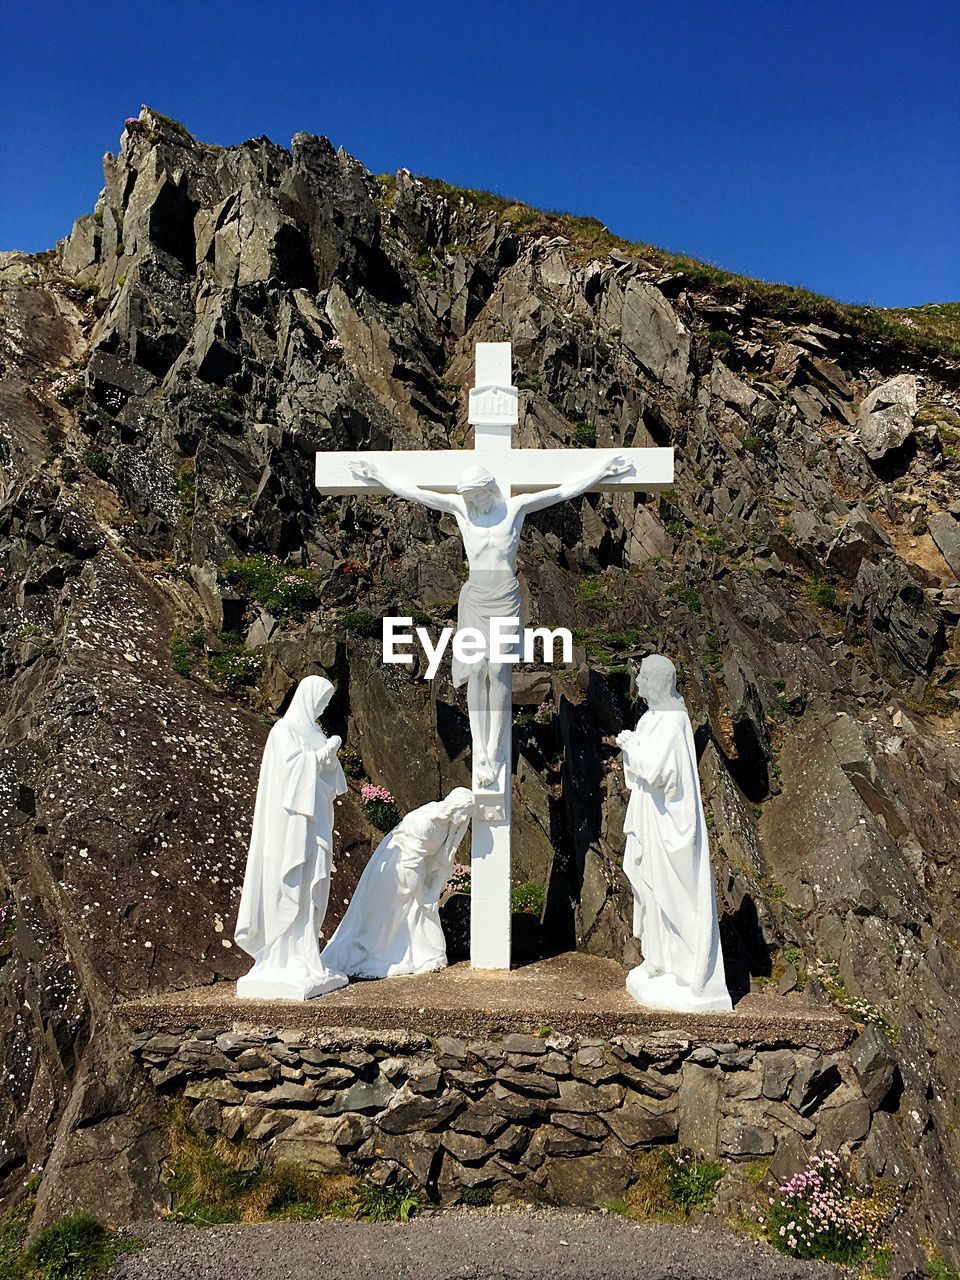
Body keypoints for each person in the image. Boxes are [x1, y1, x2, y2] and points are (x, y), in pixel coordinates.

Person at [348, 455, 628, 787]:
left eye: (475, 496)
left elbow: (562, 491)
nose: (472, 503)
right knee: (477, 670)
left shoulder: (515, 508)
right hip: (477, 598)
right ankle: (480, 749)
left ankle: (494, 746)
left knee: (498, 670)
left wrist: (600, 471)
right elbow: (415, 492)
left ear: (488, 489)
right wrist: (378, 475)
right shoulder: (462, 510)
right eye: (467, 497)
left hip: (505, 598)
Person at [616, 654, 732, 1013]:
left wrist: (629, 745)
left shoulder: (671, 720)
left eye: (643, 678)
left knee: (673, 893)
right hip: (651, 814)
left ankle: (687, 971)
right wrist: (633, 745)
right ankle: (658, 958)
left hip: (670, 824)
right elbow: (641, 773)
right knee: (649, 886)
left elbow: (654, 769)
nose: (637, 684)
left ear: (657, 681)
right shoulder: (652, 718)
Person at [235, 676, 348, 1000]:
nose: (324, 708)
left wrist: (327, 755)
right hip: (290, 827)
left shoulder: (313, 732)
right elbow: (287, 779)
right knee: (293, 886)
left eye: (327, 702)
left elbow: (332, 783)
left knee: (314, 887)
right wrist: (321, 756)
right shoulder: (283, 732)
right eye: (322, 700)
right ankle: (282, 956)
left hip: (315, 824)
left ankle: (304, 952)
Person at [321, 788, 475, 979]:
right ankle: (374, 955)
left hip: (421, 871)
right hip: (396, 870)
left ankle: (426, 955)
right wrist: (422, 894)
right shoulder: (424, 822)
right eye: (464, 813)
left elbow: (445, 860)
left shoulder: (453, 825)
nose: (464, 819)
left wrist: (432, 892)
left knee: (421, 912)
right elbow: (411, 864)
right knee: (385, 916)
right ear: (454, 807)